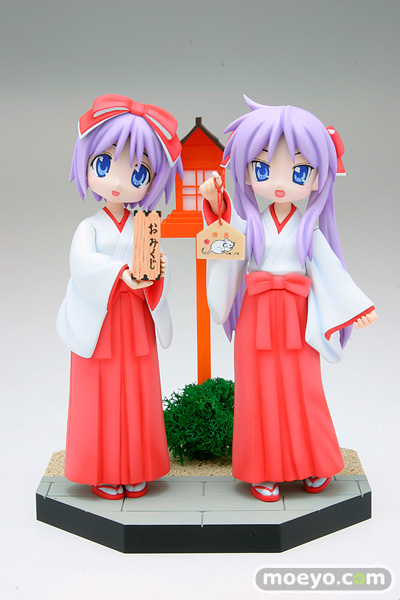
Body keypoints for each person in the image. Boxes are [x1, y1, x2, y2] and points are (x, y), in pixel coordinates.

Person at [200, 96, 377, 502]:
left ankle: (312, 461)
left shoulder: (306, 229)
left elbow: (330, 270)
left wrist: (356, 305)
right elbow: (227, 242)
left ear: (316, 179)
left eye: (298, 171)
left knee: (303, 389)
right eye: (263, 169)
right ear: (247, 173)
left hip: (298, 317)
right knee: (258, 393)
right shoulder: (251, 224)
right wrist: (216, 207)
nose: (279, 183)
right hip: (257, 316)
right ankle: (263, 470)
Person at [57, 94, 183, 500]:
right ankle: (103, 469)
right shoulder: (89, 227)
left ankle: (136, 465)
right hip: (103, 316)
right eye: (104, 164)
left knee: (137, 388)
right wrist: (119, 274)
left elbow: (155, 266)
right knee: (101, 392)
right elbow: (82, 264)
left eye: (138, 171)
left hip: (135, 317)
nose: (118, 181)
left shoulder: (145, 223)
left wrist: (156, 272)